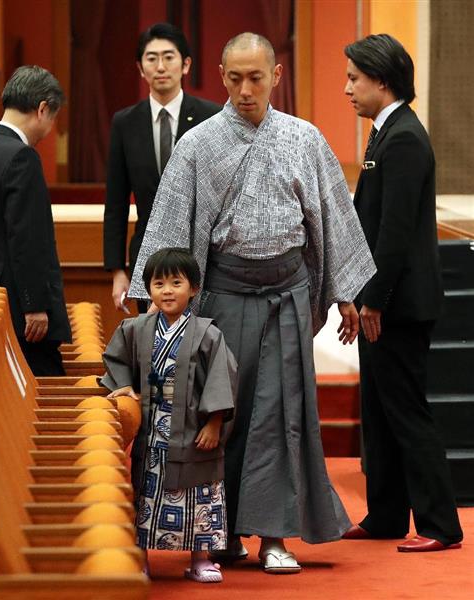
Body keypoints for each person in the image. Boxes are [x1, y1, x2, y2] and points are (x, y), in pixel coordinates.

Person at [127, 33, 376, 573]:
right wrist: (156, 299)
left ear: (276, 76)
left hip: (287, 293)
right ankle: (221, 533)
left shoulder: (304, 138)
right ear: (220, 75)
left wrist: (346, 292)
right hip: (223, 296)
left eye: (256, 78)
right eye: (235, 78)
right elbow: (169, 220)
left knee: (283, 416)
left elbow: (333, 217)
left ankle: (275, 536)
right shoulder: (197, 144)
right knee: (222, 413)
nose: (245, 89)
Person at [342, 34, 463, 552]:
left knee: (407, 411)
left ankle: (440, 525)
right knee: (379, 410)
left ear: (382, 81)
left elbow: (394, 232)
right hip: (385, 297)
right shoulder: (385, 134)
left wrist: (372, 299)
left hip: (398, 304)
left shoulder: (406, 138)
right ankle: (387, 514)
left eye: (354, 78)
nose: (347, 88)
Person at [101, 248, 237, 582]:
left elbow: (224, 375)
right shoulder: (136, 328)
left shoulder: (208, 333)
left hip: (193, 429)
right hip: (153, 429)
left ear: (194, 288)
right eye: (158, 283)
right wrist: (126, 388)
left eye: (176, 282)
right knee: (147, 493)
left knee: (199, 492)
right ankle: (141, 557)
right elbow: (116, 361)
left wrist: (214, 422)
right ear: (148, 289)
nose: (167, 290)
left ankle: (200, 558)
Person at [0, 65, 71, 376]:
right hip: (18, 313)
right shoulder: (22, 157)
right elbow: (27, 240)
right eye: (53, 119)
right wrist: (35, 305)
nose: (49, 130)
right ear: (43, 109)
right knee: (44, 397)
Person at [104, 23, 222, 313]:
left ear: (185, 64)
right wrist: (118, 271)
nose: (160, 66)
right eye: (151, 58)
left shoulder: (212, 117)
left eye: (169, 57)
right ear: (140, 67)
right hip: (149, 257)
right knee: (153, 351)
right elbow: (116, 202)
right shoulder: (125, 122)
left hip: (201, 257)